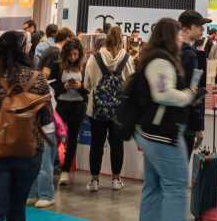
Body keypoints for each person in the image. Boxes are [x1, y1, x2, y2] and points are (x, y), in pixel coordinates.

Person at [0, 31, 54, 221]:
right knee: (17, 210)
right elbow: (47, 119)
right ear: (23, 50)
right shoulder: (37, 79)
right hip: (29, 151)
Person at [130, 18, 201, 221]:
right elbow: (163, 94)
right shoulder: (161, 61)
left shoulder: (154, 58)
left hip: (153, 131)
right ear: (171, 36)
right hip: (162, 133)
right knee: (176, 186)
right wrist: (188, 94)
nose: (181, 39)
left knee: (153, 186)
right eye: (179, 35)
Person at [83, 25, 133, 192]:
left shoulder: (94, 58)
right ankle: (116, 179)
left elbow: (87, 84)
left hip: (98, 109)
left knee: (96, 144)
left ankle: (94, 180)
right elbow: (130, 83)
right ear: (122, 40)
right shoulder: (127, 58)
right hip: (120, 110)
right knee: (117, 144)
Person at [48, 38, 86, 187]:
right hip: (62, 105)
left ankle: (65, 171)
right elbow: (53, 85)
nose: (73, 57)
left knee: (72, 139)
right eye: (71, 54)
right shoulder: (58, 66)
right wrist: (63, 86)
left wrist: (80, 86)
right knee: (55, 136)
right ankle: (52, 165)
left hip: (78, 106)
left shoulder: (83, 67)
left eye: (76, 54)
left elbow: (88, 88)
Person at [178, 10, 210, 156]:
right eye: (199, 26)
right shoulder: (191, 55)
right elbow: (193, 92)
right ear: (186, 29)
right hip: (186, 122)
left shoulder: (171, 51)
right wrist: (198, 127)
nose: (202, 29)